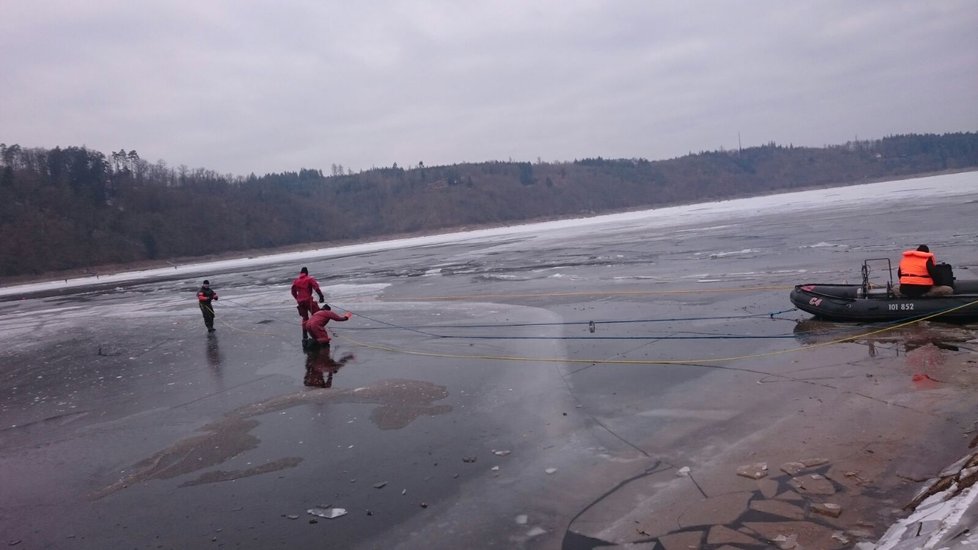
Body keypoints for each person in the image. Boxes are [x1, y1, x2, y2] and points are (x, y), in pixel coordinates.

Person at [291, 267, 326, 343]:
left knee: (305, 318)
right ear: (307, 273)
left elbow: (293, 291)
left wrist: (297, 298)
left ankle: (305, 335)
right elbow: (316, 287)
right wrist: (321, 296)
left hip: (300, 302)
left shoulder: (296, 281)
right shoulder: (309, 279)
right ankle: (319, 333)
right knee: (317, 315)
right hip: (308, 300)